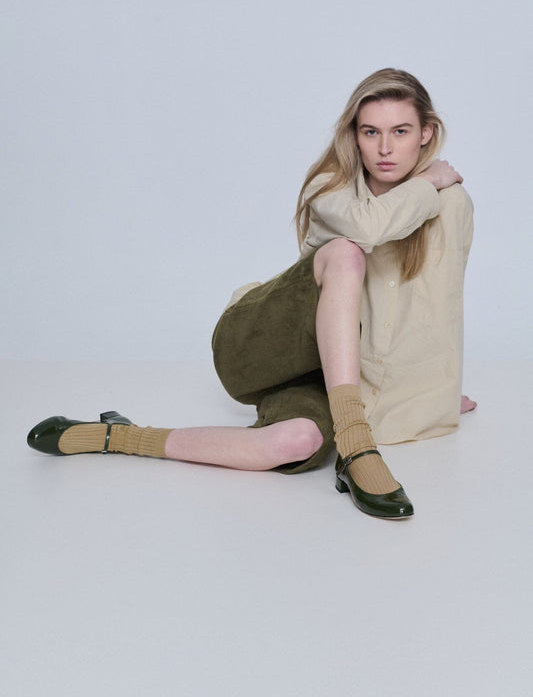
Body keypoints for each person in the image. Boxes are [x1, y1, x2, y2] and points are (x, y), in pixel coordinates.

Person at [27, 68, 476, 520]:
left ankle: (120, 437)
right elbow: (370, 227)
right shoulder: (330, 188)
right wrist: (425, 184)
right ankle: (356, 445)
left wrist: (431, 393)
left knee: (294, 442)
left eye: (400, 131)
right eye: (371, 132)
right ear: (353, 136)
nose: (384, 148)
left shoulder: (453, 205)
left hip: (324, 370)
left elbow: (437, 307)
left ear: (426, 133)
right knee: (345, 253)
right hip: (260, 343)